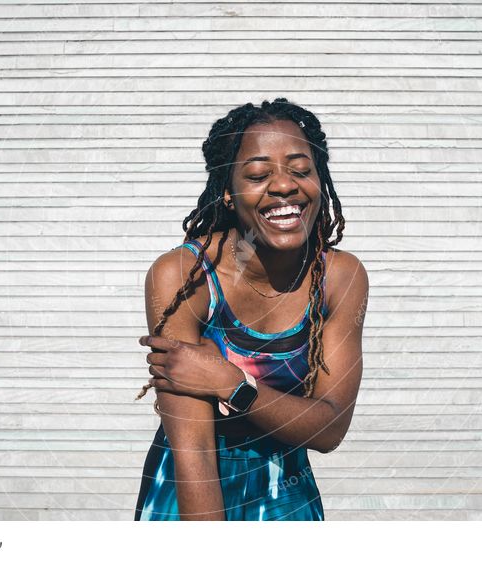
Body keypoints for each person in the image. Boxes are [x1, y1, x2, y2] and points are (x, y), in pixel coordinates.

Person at [133, 98, 368, 521]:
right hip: (190, 497)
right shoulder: (185, 276)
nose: (284, 186)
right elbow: (195, 454)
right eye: (259, 174)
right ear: (227, 189)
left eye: (301, 170)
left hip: (287, 492)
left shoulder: (339, 277)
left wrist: (231, 383)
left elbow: (329, 428)